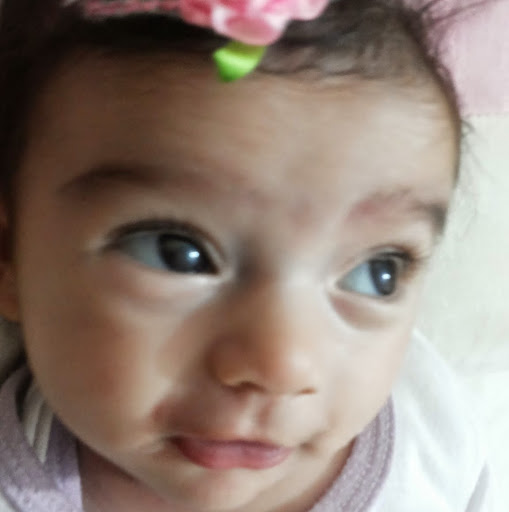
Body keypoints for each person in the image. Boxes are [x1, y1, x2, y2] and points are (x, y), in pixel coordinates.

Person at [0, 0, 492, 511]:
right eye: (178, 254)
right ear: (8, 253)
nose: (282, 365)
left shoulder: (428, 439)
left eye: (377, 273)